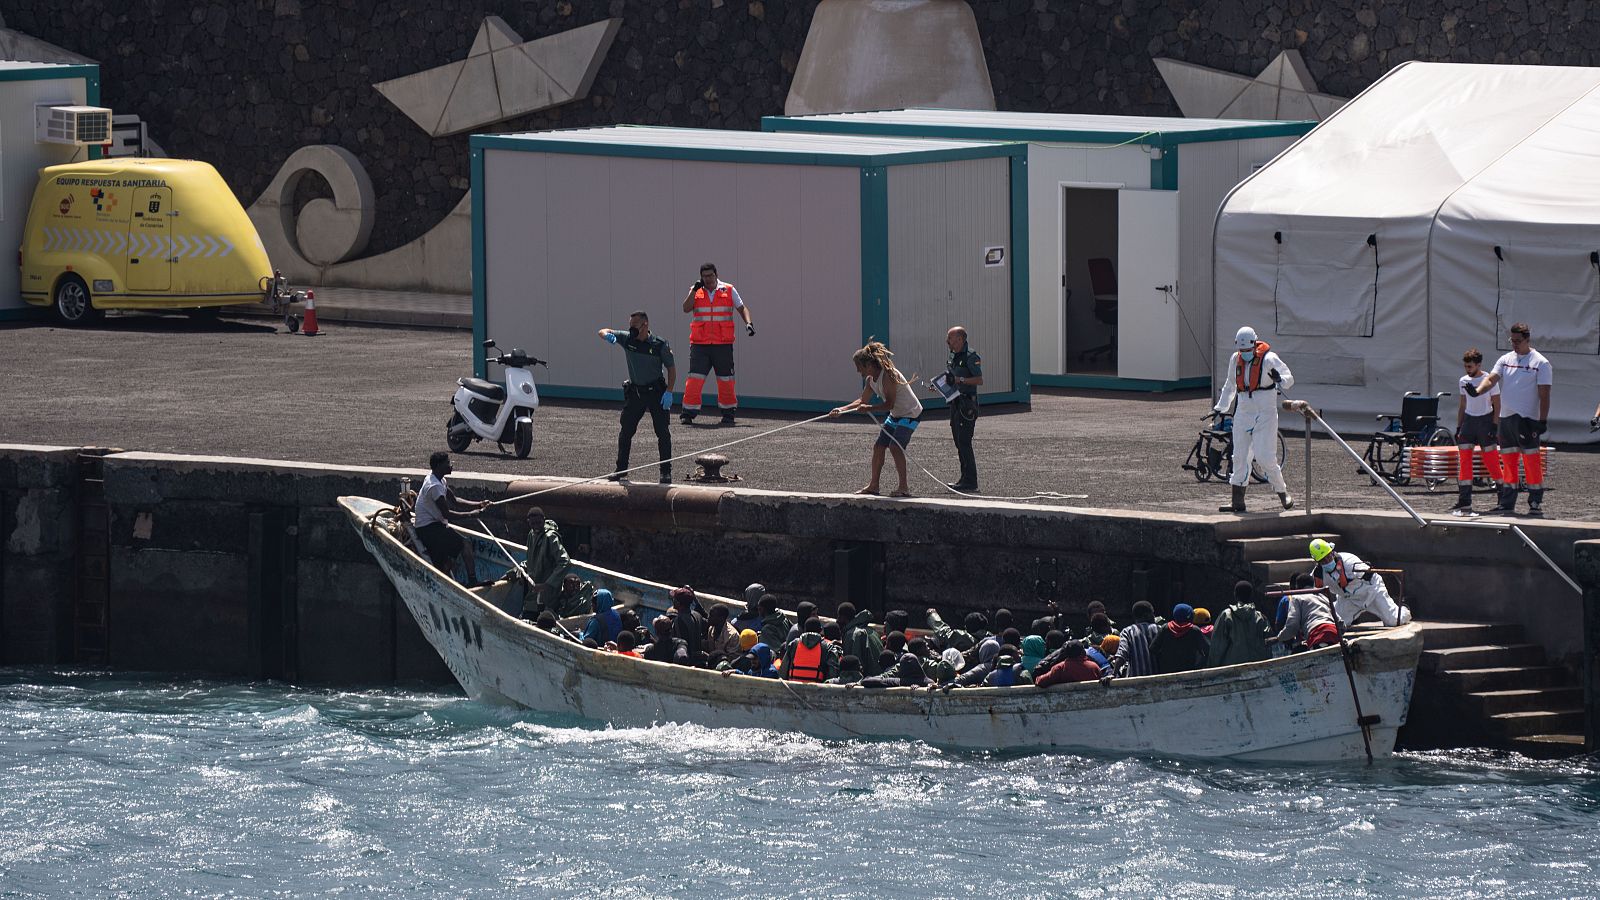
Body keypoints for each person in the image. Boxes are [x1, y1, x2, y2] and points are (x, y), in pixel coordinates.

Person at [1466, 323, 1553, 515]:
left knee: (1531, 462)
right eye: (1512, 340)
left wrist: (1542, 420)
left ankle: (1535, 502)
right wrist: (1478, 391)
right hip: (1506, 419)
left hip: (1527, 419)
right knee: (1509, 462)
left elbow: (1544, 394)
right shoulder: (1506, 359)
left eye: (1518, 341)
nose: (1514, 344)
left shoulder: (1541, 363)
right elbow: (1492, 378)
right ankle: (1507, 503)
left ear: (1527, 339)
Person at [1213, 325, 1295, 513]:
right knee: (1239, 456)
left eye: (1248, 350)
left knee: (1265, 457)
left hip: (1265, 413)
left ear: (1254, 345)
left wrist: (1279, 379)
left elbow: (1289, 379)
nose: (1245, 354)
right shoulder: (1236, 359)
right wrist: (1220, 408)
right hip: (1243, 412)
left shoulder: (1269, 359)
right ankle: (1237, 502)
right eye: (1241, 350)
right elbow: (1230, 385)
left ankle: (1283, 492)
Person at [829, 341, 924, 497]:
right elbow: (862, 400)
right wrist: (841, 410)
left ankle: (903, 487)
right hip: (895, 415)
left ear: (868, 365)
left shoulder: (888, 376)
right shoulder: (870, 380)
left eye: (858, 366)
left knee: (895, 446)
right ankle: (874, 486)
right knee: (879, 447)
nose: (857, 371)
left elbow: (889, 403)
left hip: (910, 414)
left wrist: (869, 409)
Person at [598, 311, 676, 483]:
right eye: (630, 325)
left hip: (656, 393)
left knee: (662, 432)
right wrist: (607, 336)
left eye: (635, 325)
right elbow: (602, 331)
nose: (631, 329)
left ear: (645, 325)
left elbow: (671, 368)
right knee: (626, 431)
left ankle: (665, 472)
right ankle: (621, 470)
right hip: (636, 393)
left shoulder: (659, 344)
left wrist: (669, 391)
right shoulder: (628, 339)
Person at [680, 262, 753, 425]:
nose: (707, 279)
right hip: (700, 345)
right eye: (704, 276)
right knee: (694, 379)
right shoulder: (696, 290)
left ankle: (728, 413)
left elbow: (742, 308)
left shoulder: (728, 289)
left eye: (710, 275)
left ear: (716, 274)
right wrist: (694, 290)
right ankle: (688, 413)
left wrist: (748, 323)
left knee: (726, 379)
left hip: (722, 344)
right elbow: (685, 308)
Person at [413, 451, 490, 584]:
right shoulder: (435, 486)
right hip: (428, 529)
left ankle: (448, 578)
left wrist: (478, 504)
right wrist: (472, 514)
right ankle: (473, 581)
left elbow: (455, 500)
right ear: (438, 466)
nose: (451, 465)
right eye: (447, 463)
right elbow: (447, 514)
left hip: (435, 525)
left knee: (447, 560)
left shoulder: (439, 479)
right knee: (465, 544)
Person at [1307, 540, 1411, 628]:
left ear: (1332, 552)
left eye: (1328, 557)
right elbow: (1310, 591)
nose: (1327, 561)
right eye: (1323, 560)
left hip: (1371, 592)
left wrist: (1357, 573)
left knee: (1394, 621)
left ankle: (1404, 608)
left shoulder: (1349, 561)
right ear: (1317, 562)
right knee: (1334, 625)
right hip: (1348, 599)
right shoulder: (1318, 575)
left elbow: (1369, 574)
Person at [1451, 348, 1502, 516]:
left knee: (1491, 461)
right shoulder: (1463, 380)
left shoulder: (1489, 380)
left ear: (1479, 365)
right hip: (1469, 421)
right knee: (1464, 461)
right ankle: (1464, 500)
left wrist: (1495, 425)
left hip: (1486, 421)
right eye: (1466, 366)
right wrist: (1459, 426)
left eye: (1470, 366)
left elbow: (1497, 404)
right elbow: (1463, 405)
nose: (1467, 370)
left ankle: (1503, 499)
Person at [944, 325, 984, 491]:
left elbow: (979, 380)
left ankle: (971, 482)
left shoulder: (970, 356)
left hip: (967, 404)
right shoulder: (954, 355)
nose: (948, 342)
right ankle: (964, 479)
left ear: (960, 339)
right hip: (955, 403)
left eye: (950, 338)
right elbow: (952, 377)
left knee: (965, 442)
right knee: (959, 443)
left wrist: (961, 380)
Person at [1208, 581, 1273, 667]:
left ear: (1235, 594)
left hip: (1232, 671)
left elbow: (1217, 647)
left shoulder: (1226, 616)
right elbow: (1267, 646)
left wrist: (1212, 668)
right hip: (1257, 670)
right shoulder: (1261, 617)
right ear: (1251, 595)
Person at [520, 507, 570, 616]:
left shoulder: (550, 537)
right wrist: (520, 568)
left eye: (538, 522)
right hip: (533, 589)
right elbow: (530, 559)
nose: (536, 526)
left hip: (547, 592)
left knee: (544, 618)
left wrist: (547, 584)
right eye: (532, 523)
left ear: (544, 519)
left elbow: (565, 562)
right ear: (528, 522)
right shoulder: (531, 534)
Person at [1271, 589, 1340, 651]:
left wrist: (1279, 638)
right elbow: (1340, 622)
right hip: (1334, 631)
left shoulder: (1295, 597)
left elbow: (1292, 626)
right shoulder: (1321, 596)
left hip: (1316, 635)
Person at [1149, 604, 1209, 674]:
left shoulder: (1165, 628)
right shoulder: (1194, 630)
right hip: (1188, 671)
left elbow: (1152, 648)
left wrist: (1165, 657)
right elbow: (1207, 649)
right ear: (1189, 616)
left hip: (1166, 671)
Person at [780, 618, 838, 682]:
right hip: (817, 689)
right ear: (821, 630)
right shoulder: (828, 647)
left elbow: (783, 671)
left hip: (792, 688)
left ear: (804, 630)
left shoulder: (794, 644)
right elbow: (832, 674)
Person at [1112, 601, 1160, 677]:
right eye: (1152, 613)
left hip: (1135, 680)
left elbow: (1122, 654)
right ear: (1146, 615)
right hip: (1158, 679)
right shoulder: (1159, 629)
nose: (1154, 616)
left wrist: (1113, 674)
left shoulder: (1128, 631)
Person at [836, 602, 885, 677]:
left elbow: (854, 666)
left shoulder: (852, 634)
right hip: (880, 677)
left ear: (843, 617)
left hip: (866, 682)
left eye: (839, 616)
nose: (837, 620)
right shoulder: (872, 631)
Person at [1035, 641, 1103, 687]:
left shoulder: (1060, 668)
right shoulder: (1093, 667)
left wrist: (1038, 678)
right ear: (1083, 652)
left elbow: (1041, 681)